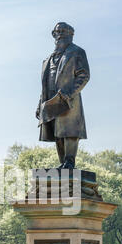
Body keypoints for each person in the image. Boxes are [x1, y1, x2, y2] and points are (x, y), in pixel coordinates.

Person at [36, 22, 90, 169]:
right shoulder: (47, 60)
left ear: (71, 34)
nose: (60, 34)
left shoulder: (77, 52)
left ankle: (70, 162)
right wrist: (39, 105)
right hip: (50, 100)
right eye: (57, 31)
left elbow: (84, 75)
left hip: (68, 99)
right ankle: (63, 164)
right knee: (57, 133)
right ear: (53, 35)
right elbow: (45, 85)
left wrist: (70, 93)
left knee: (69, 131)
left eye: (64, 31)